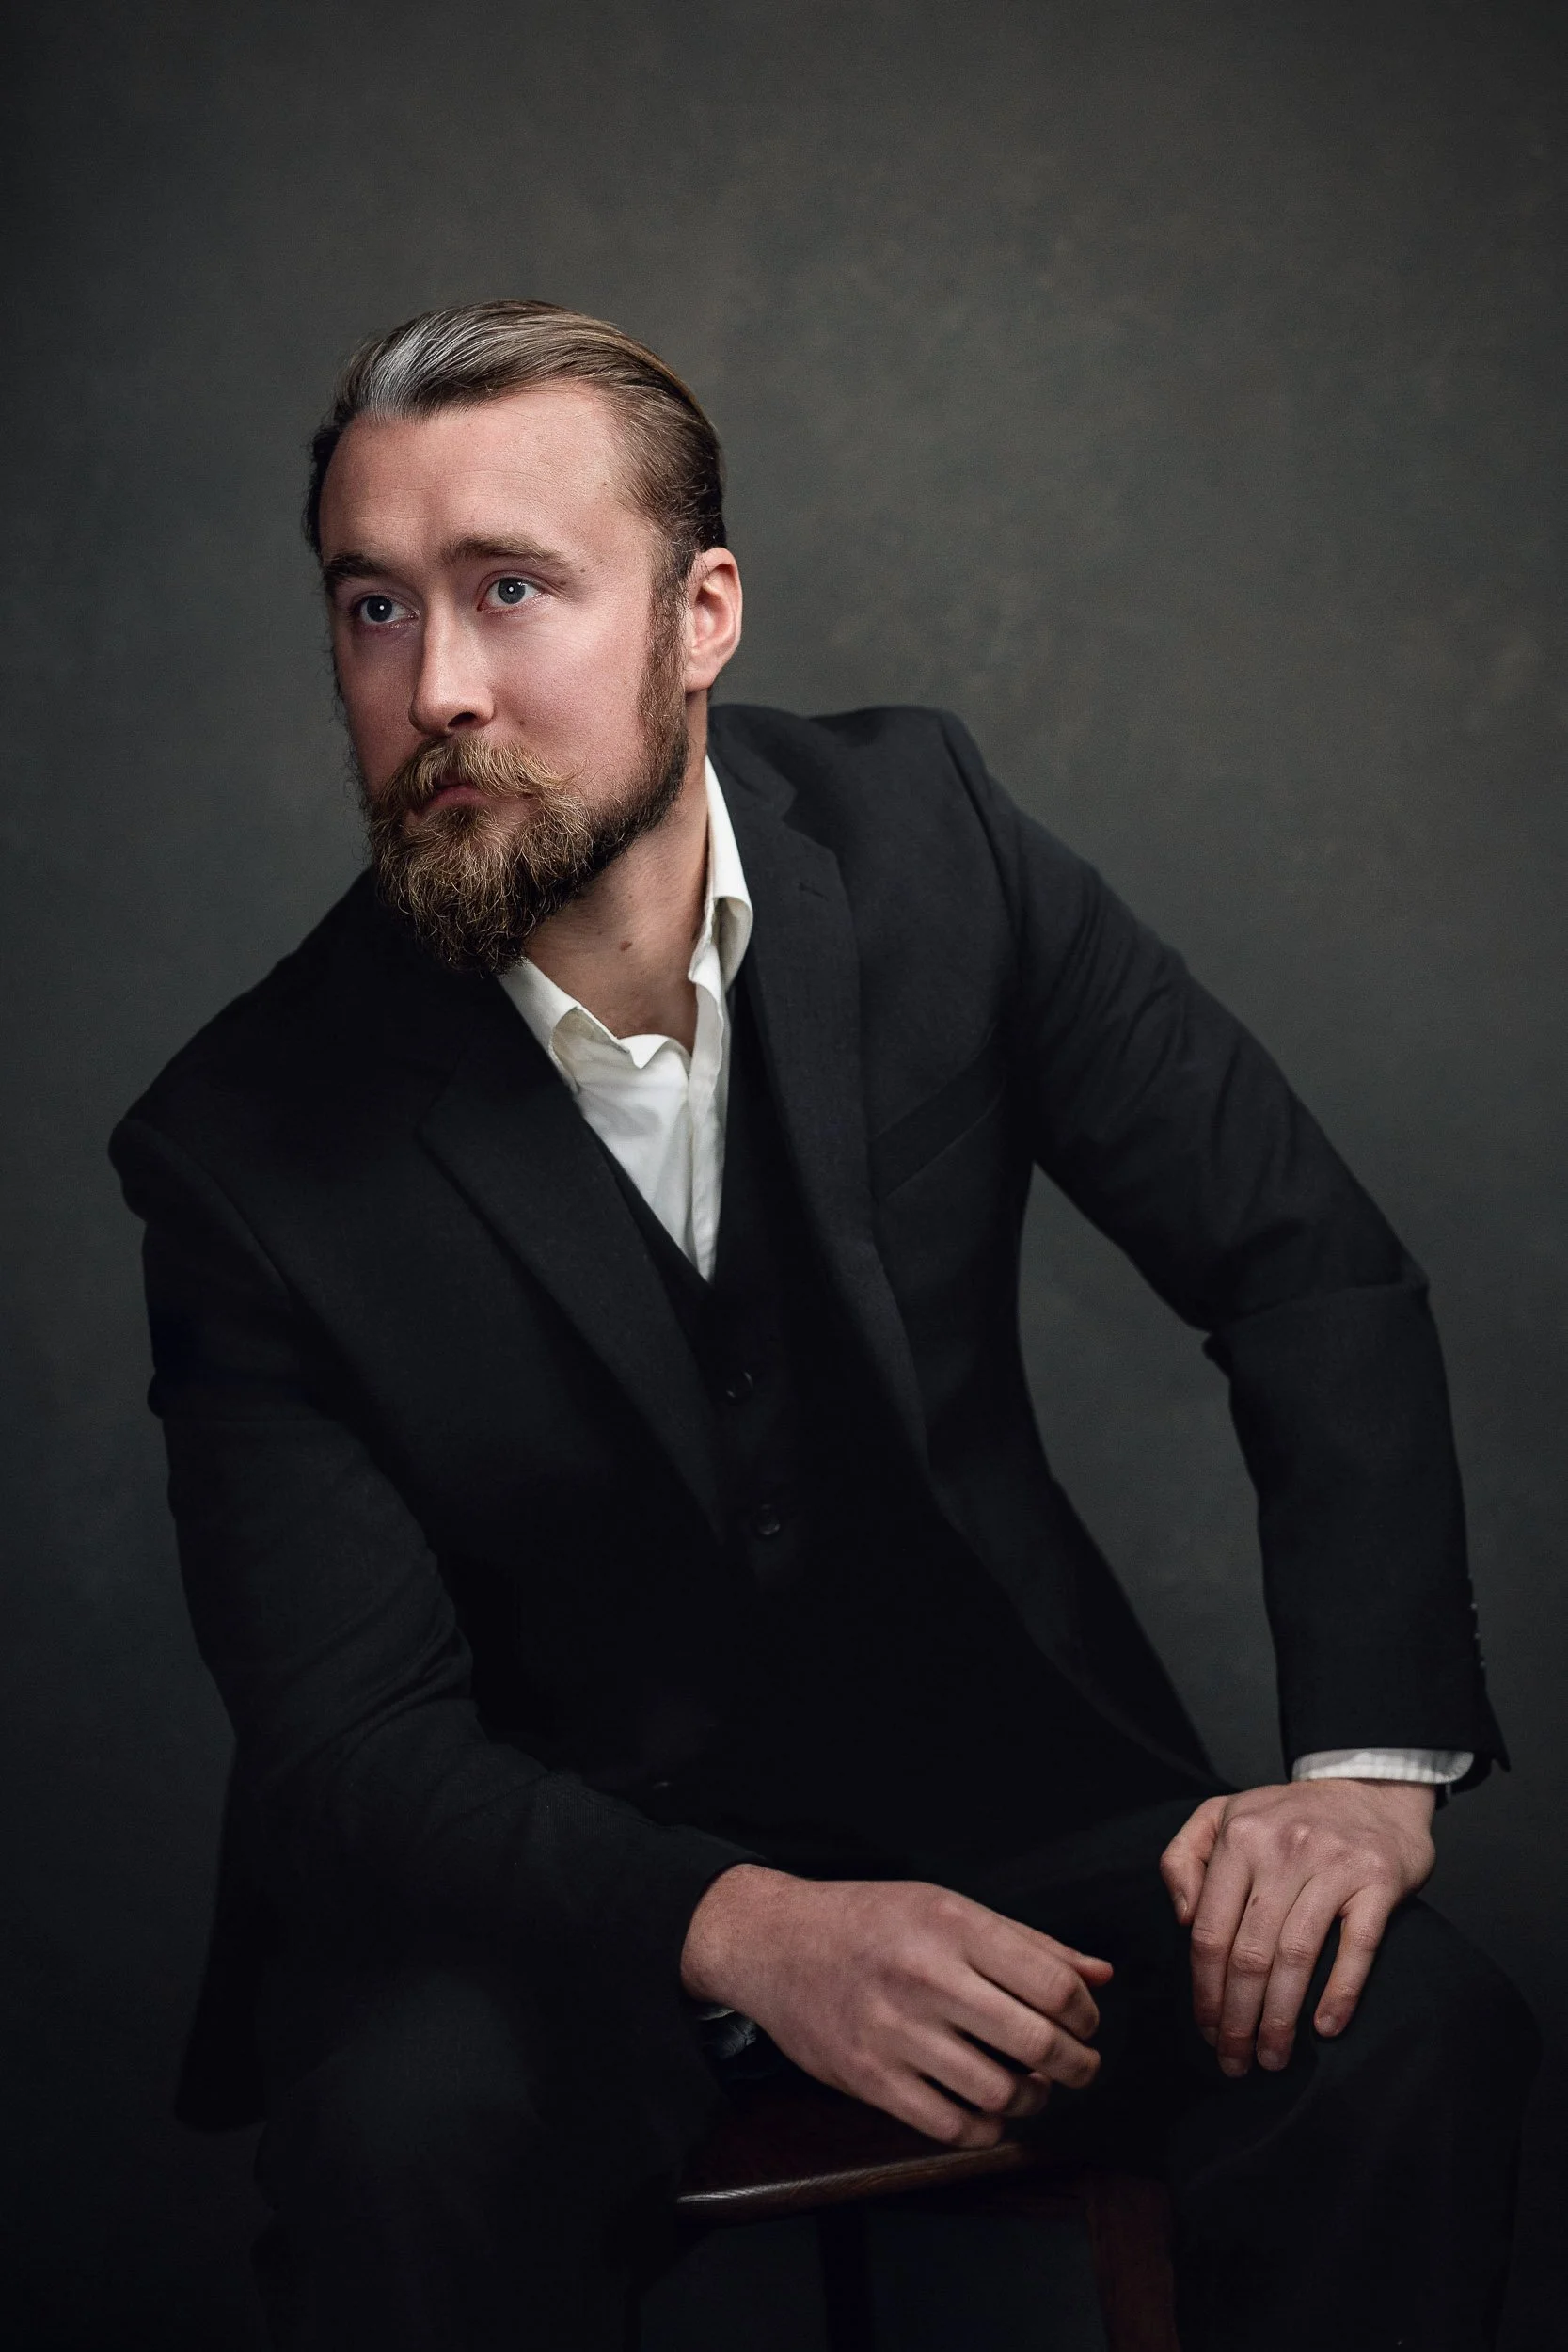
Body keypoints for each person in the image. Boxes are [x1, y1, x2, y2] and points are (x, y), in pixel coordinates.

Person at [111, 301, 1535, 2352]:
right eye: (373, 607)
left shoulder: (929, 835)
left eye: (510, 589)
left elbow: (1299, 1258)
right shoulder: (240, 1143)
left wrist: (1365, 1770)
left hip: (1001, 1811)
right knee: (400, 2150)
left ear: (701, 614)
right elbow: (354, 1745)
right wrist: (738, 1925)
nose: (437, 688)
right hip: (534, 1919)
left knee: (1400, 2031)